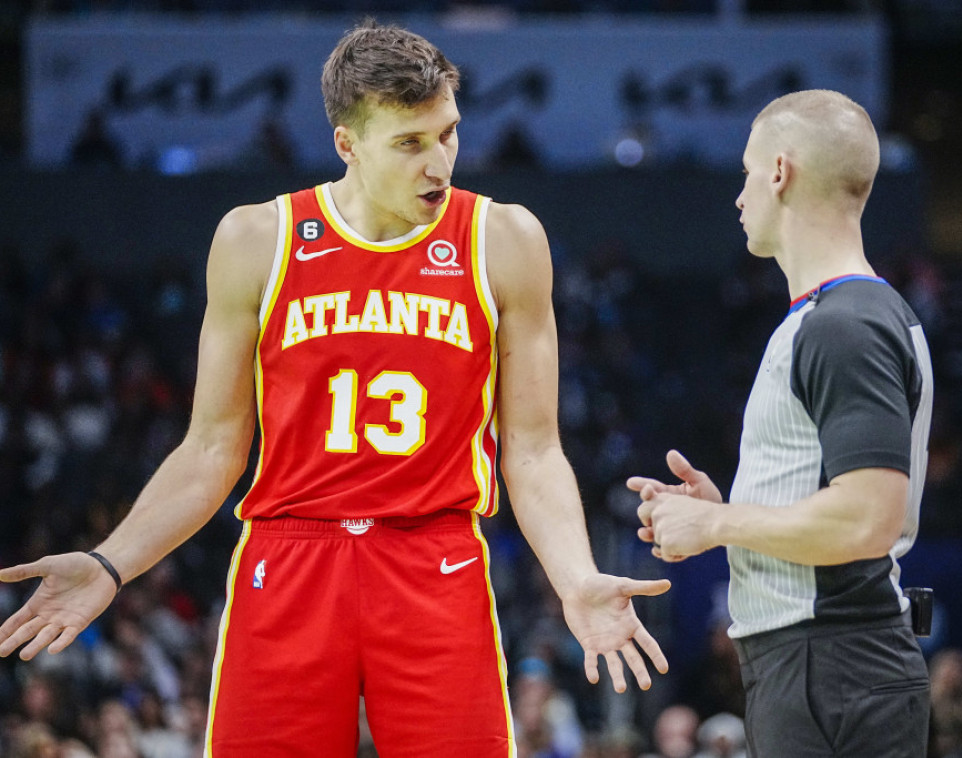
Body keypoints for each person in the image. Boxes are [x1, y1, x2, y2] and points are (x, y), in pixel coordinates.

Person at [0, 20, 671, 758]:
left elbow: (536, 450)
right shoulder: (259, 239)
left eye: (447, 134)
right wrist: (110, 562)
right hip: (289, 559)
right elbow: (214, 447)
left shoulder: (504, 238)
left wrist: (574, 579)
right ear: (348, 145)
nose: (439, 164)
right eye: (409, 144)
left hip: (435, 558)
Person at [629, 90, 934, 757]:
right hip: (825, 666)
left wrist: (717, 524)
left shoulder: (843, 326)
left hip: (832, 665)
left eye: (746, 172)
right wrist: (730, 512)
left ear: (780, 172)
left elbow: (865, 519)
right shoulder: (840, 316)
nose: (739, 196)